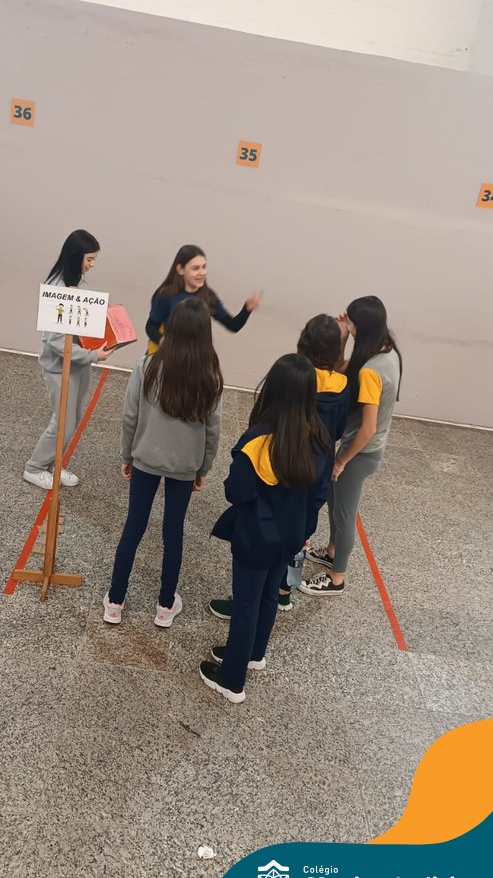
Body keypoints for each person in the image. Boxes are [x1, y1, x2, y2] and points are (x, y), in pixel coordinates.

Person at [200, 354, 331, 704]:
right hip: (292, 535)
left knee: (246, 604)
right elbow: (319, 494)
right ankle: (254, 654)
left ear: (273, 389)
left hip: (256, 536)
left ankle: (232, 680)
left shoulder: (259, 439)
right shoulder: (320, 437)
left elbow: (236, 491)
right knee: (270, 595)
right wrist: (306, 530)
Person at [207, 314, 350, 620]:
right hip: (313, 473)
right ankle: (284, 591)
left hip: (276, 481)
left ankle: (245, 614)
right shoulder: (340, 391)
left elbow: (238, 490)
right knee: (285, 559)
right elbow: (339, 430)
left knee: (250, 596)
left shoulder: (293, 384)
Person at [103, 297, 223, 628]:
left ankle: (115, 601)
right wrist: (203, 468)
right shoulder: (210, 376)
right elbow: (213, 430)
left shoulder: (147, 366)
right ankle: (165, 606)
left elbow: (129, 416)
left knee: (134, 526)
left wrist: (127, 455)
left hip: (145, 459)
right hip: (185, 466)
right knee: (173, 532)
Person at [300, 296, 402, 596]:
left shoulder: (370, 371)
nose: (346, 324)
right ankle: (332, 551)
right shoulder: (387, 351)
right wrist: (344, 338)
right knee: (335, 503)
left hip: (361, 453)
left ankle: (336, 577)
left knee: (344, 515)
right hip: (362, 449)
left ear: (362, 327)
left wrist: (342, 460)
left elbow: (368, 428)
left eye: (351, 322)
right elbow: (344, 369)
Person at [24, 230, 111, 490]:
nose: (92, 265)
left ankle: (54, 464)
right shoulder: (56, 288)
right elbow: (55, 340)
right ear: (75, 256)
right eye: (89, 259)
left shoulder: (78, 282)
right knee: (62, 421)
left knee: (72, 420)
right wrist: (93, 355)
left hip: (78, 364)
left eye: (94, 259)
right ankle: (34, 467)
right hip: (59, 368)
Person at [145, 244, 261, 353]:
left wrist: (246, 310)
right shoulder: (167, 296)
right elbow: (151, 326)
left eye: (204, 267)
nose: (202, 273)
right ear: (181, 269)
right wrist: (162, 341)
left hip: (196, 358)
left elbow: (233, 326)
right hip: (169, 356)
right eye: (196, 268)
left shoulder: (209, 297)